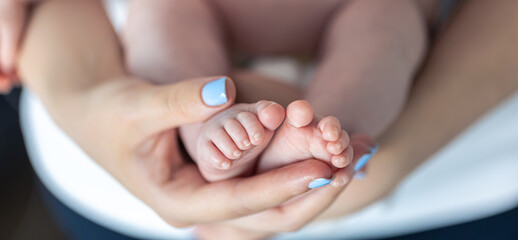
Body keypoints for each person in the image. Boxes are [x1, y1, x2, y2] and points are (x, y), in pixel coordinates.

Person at [17, 0, 518, 239]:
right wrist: (82, 94)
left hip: (458, 174)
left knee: (384, 33)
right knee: (166, 27)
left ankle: (326, 128)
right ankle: (201, 131)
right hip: (113, 178)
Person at [124, 0, 434, 182]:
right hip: (207, 17)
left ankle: (321, 129)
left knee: (389, 20)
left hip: (349, 13)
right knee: (162, 12)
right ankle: (203, 131)